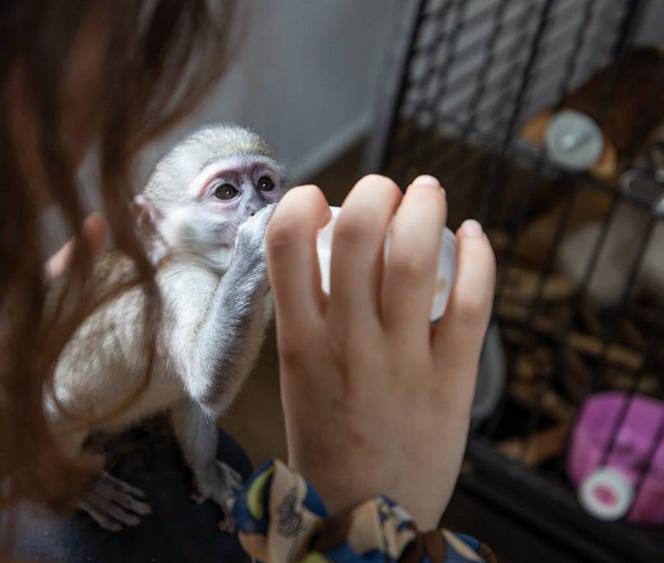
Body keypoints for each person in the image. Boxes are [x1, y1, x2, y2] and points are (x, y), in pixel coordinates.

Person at [0, 1, 496, 561]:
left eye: (265, 185)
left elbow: (193, 399)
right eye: (225, 193)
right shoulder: (179, 280)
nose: (255, 210)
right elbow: (208, 383)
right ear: (153, 223)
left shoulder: (230, 281)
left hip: (117, 403)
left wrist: (205, 470)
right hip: (53, 422)